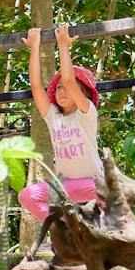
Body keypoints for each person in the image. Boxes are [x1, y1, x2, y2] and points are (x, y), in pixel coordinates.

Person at [22, 21, 106, 226]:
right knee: (27, 196)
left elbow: (69, 79)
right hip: (66, 186)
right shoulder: (53, 117)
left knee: (115, 199)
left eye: (67, 88)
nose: (62, 90)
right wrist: (34, 47)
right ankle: (66, 229)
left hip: (94, 185)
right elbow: (35, 86)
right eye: (58, 88)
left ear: (83, 94)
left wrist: (63, 45)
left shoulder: (86, 114)